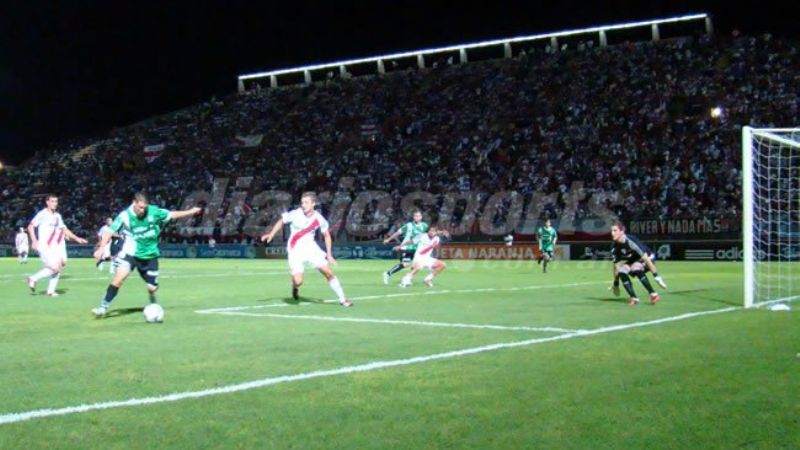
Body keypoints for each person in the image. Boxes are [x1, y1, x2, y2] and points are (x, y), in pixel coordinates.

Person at [91, 192, 202, 317]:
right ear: (134, 203)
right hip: (130, 253)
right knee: (119, 279)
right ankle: (103, 307)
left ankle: (152, 298)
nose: (142, 210)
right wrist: (101, 249)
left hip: (150, 255)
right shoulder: (125, 216)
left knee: (152, 288)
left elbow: (172, 214)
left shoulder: (154, 211)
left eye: (144, 207)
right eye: (140, 207)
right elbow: (110, 231)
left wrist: (191, 211)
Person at [261, 192, 352, 307]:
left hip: (311, 249)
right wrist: (271, 234)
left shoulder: (319, 219)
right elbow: (281, 221)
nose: (303, 205)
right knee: (298, 281)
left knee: (328, 273)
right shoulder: (295, 214)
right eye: (302, 202)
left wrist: (329, 254)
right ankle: (294, 286)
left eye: (306, 202)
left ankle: (343, 299)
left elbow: (327, 236)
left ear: (313, 204)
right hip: (295, 251)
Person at [26, 194, 88, 296]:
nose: (55, 203)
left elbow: (64, 229)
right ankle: (33, 278)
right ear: (47, 202)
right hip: (44, 245)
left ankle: (50, 291)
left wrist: (76, 238)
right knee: (55, 268)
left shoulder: (57, 216)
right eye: (52, 201)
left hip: (54, 246)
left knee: (61, 263)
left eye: (56, 201)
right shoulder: (42, 214)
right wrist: (34, 240)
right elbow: (30, 226)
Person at [609, 222, 668, 305]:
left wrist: (656, 276)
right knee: (622, 271)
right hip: (634, 258)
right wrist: (616, 283)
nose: (612, 233)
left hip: (648, 257)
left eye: (615, 230)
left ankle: (653, 294)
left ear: (622, 231)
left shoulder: (631, 242)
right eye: (611, 231)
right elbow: (616, 267)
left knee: (635, 268)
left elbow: (646, 259)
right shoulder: (614, 247)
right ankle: (634, 298)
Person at [382, 210, 428, 284]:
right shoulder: (408, 225)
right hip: (407, 248)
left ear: (421, 217)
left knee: (417, 264)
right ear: (413, 217)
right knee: (405, 264)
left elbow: (429, 234)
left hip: (417, 249)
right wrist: (388, 239)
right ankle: (387, 274)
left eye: (419, 216)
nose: (417, 217)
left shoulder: (425, 226)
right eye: (416, 216)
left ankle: (407, 278)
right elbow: (398, 232)